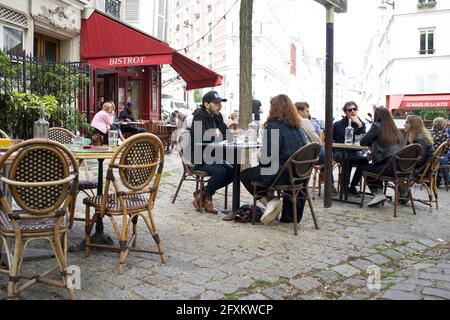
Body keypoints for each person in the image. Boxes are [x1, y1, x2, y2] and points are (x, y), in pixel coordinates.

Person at [240, 94, 308, 225]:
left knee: (244, 175)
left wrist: (261, 161)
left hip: (282, 174)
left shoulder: (274, 126)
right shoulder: (297, 127)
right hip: (298, 175)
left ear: (274, 108)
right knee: (263, 170)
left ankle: (271, 203)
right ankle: (273, 203)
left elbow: (268, 158)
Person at [189, 91, 234, 214]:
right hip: (199, 157)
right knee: (221, 171)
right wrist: (219, 135)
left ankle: (202, 193)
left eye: (220, 103)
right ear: (206, 104)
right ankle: (207, 199)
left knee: (234, 171)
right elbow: (201, 137)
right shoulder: (199, 116)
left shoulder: (217, 116)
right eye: (216, 103)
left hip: (213, 156)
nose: (220, 105)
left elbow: (226, 133)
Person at [360, 107, 405, 207]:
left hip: (388, 168)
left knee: (364, 166)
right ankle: (382, 193)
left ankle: (378, 193)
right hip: (400, 168)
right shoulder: (394, 129)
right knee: (374, 167)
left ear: (377, 115)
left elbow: (362, 141)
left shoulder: (376, 126)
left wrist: (372, 141)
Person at [333, 101, 368, 196]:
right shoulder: (337, 125)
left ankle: (352, 186)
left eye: (354, 109)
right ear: (345, 112)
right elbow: (331, 139)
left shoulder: (361, 124)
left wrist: (359, 125)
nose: (353, 111)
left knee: (364, 161)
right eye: (350, 110)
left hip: (354, 152)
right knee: (347, 158)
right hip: (339, 151)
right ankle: (344, 187)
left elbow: (363, 140)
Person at [398, 115, 435, 204]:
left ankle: (403, 191)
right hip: (422, 167)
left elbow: (418, 160)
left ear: (413, 125)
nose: (404, 125)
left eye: (407, 122)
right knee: (394, 165)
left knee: (391, 168)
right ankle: (403, 192)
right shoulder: (419, 136)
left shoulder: (419, 140)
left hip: (419, 170)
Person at [431, 118, 449, 187]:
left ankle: (436, 181)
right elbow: (446, 149)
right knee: (445, 163)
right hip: (441, 156)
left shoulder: (430, 133)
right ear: (442, 125)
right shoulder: (445, 134)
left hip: (431, 156)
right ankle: (447, 181)